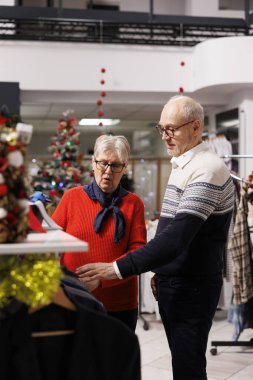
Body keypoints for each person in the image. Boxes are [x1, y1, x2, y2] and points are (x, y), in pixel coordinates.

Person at [76, 95, 235, 380]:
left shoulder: (206, 170)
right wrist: (160, 272)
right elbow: (170, 228)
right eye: (161, 128)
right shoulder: (183, 164)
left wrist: (112, 269)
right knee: (182, 363)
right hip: (177, 284)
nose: (165, 136)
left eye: (171, 129)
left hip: (192, 288)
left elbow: (175, 239)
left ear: (196, 127)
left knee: (188, 367)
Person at [51, 134, 146, 331]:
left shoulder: (133, 204)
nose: (108, 172)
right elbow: (52, 243)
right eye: (103, 163)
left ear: (124, 168)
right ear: (93, 163)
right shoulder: (71, 198)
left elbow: (139, 254)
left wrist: (103, 279)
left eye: (116, 165)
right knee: (76, 361)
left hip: (120, 305)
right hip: (73, 300)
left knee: (116, 360)